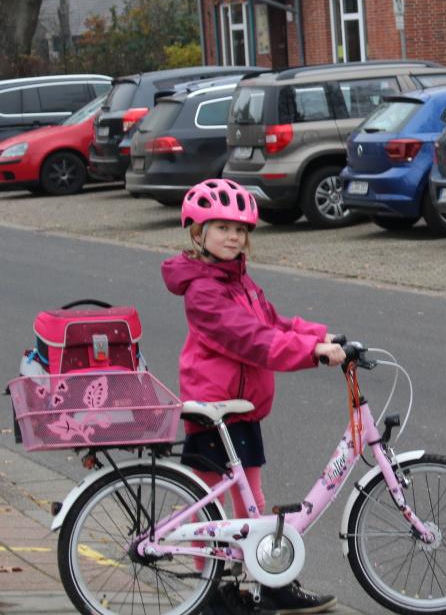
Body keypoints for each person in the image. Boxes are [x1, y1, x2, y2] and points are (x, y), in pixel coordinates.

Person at [162, 178, 346, 614]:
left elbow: (275, 322)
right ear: (198, 233)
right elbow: (253, 340)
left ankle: (268, 579)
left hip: (242, 411)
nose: (234, 237)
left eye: (241, 230)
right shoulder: (205, 291)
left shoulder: (239, 281)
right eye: (223, 227)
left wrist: (320, 335)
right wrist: (312, 352)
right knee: (208, 505)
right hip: (214, 412)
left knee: (252, 505)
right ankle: (202, 588)